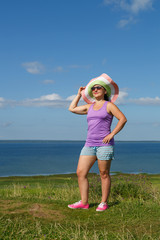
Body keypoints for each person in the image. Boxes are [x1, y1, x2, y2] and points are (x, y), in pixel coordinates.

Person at [68, 74, 127, 211]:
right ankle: (84, 202)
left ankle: (103, 202)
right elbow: (72, 109)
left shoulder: (109, 105)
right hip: (89, 144)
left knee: (104, 174)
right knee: (80, 173)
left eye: (98, 88)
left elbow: (123, 119)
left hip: (104, 145)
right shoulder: (89, 107)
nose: (95, 90)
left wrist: (112, 134)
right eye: (93, 88)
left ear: (105, 91)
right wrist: (78, 95)